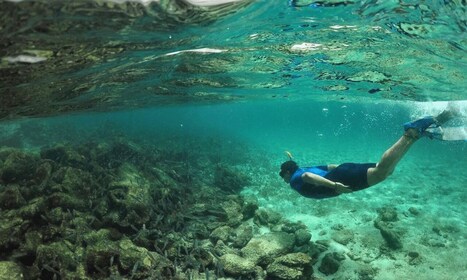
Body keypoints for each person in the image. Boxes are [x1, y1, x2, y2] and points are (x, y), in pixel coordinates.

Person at [279, 108, 458, 199]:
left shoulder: (296, 178)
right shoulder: (302, 167)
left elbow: (308, 177)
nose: (283, 178)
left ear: (288, 172)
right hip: (343, 170)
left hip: (340, 179)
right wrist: (344, 170)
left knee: (381, 172)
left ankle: (411, 132)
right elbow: (330, 166)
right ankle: (422, 131)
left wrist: (335, 185)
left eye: (282, 175)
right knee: (387, 171)